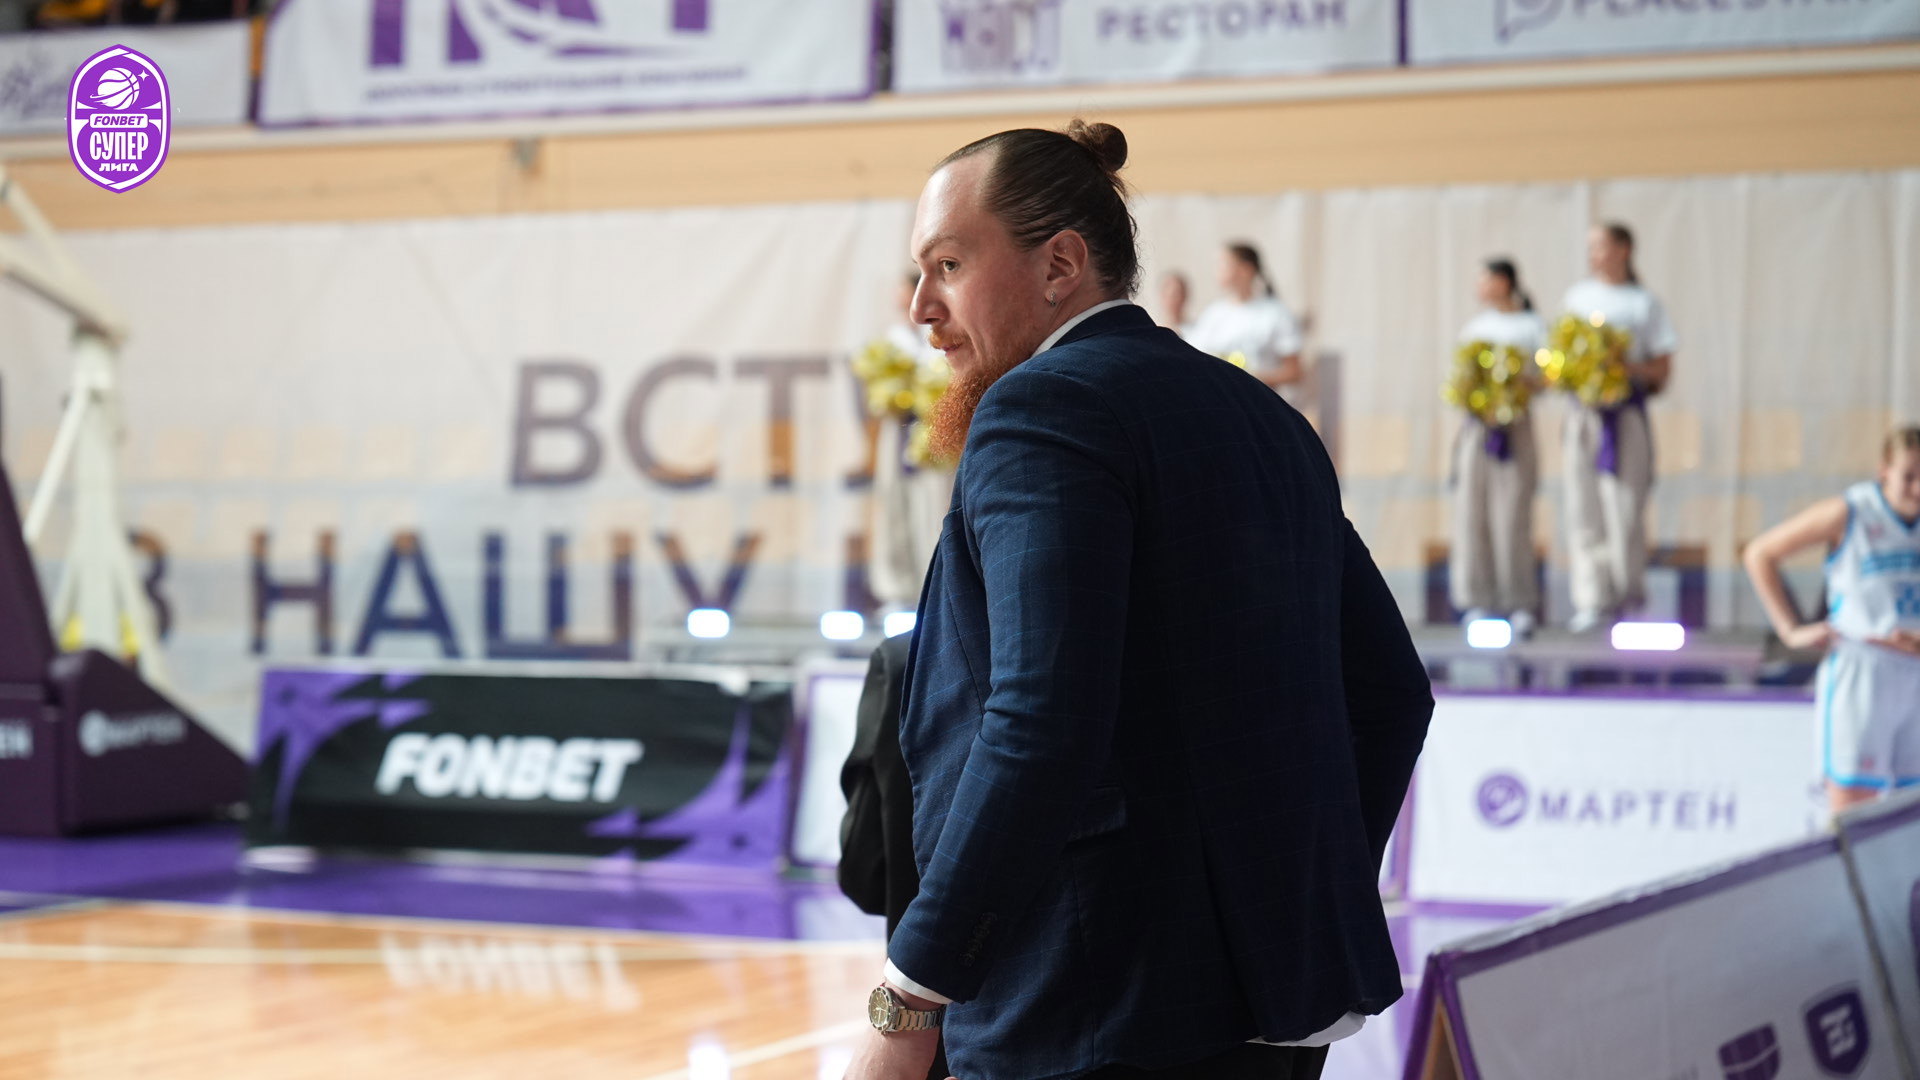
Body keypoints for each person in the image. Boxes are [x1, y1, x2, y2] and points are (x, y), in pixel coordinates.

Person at [845, 119, 1432, 1080]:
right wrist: (1296, 899)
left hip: (1089, 1004)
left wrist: (909, 999)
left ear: (1059, 265)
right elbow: (1391, 693)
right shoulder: (1263, 416)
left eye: (948, 265)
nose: (920, 307)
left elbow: (1040, 721)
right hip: (1279, 1000)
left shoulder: (1040, 410)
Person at [1743, 427, 1920, 816]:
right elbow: (1760, 554)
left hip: (1915, 673)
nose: (1917, 488)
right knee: (1852, 812)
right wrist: (1790, 630)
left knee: (1911, 814)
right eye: (1909, 476)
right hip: (1864, 668)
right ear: (1884, 471)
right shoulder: (1851, 512)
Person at [1560, 222, 1677, 633]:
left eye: (1601, 246)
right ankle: (1592, 599)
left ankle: (1630, 598)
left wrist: (1621, 368)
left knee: (1624, 510)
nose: (1594, 254)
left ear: (1623, 249)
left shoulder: (1643, 303)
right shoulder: (1577, 298)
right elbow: (1560, 360)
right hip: (1583, 418)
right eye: (1590, 247)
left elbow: (1662, 370)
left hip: (1624, 417)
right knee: (1583, 510)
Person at [1450, 258, 1546, 638]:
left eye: (1487, 279)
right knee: (1472, 512)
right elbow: (1460, 378)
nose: (1481, 286)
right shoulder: (1475, 328)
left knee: (1512, 515)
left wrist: (1515, 385)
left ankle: (1518, 601)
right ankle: (1477, 599)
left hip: (1515, 426)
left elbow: (1547, 376)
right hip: (1477, 427)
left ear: (1504, 282)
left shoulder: (1531, 326)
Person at [1183, 242, 1306, 400]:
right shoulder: (1213, 313)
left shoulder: (1275, 313)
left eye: (1225, 264)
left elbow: (1294, 372)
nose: (1218, 271)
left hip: (1260, 404)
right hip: (1220, 402)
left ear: (1246, 269)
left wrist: (1250, 379)